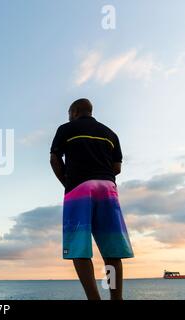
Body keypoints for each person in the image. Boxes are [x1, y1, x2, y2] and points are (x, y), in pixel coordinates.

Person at [50, 98, 134, 300]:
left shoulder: (66, 128)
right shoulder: (110, 133)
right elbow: (117, 168)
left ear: (75, 111)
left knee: (79, 247)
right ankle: (116, 298)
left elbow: (54, 159)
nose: (69, 117)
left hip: (79, 187)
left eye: (69, 113)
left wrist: (68, 184)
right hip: (107, 188)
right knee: (111, 248)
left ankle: (94, 299)